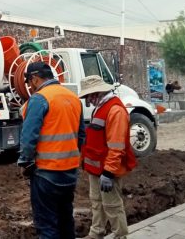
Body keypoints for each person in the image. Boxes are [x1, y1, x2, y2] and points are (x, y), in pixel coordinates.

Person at [18, 62, 85, 239]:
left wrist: (25, 162)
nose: (30, 86)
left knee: (47, 226)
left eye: (29, 82)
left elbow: (28, 137)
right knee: (65, 221)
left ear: (35, 78)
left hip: (46, 174)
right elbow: (81, 136)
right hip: (69, 173)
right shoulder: (73, 98)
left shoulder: (40, 99)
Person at [78, 75, 137, 239]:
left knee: (112, 205)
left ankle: (120, 235)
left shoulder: (115, 110)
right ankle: (96, 232)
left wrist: (109, 173)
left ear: (97, 93)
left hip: (107, 170)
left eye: (88, 96)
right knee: (96, 201)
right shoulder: (102, 107)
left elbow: (116, 146)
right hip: (97, 167)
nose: (88, 101)